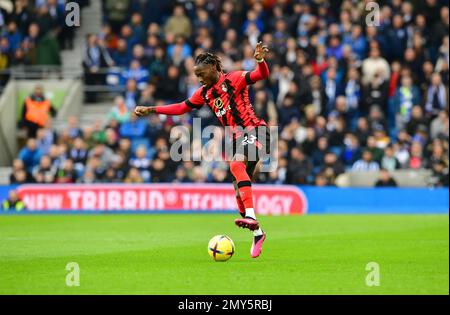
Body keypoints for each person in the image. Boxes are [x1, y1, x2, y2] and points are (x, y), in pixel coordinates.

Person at [135, 42, 270, 258]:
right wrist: (152, 109)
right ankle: (258, 233)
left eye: (202, 73)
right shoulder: (205, 93)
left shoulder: (234, 79)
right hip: (237, 139)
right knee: (238, 191)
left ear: (215, 69)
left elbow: (260, 75)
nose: (199, 78)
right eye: (196, 75)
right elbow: (181, 107)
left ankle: (252, 218)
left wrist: (260, 60)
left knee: (235, 163)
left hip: (256, 130)